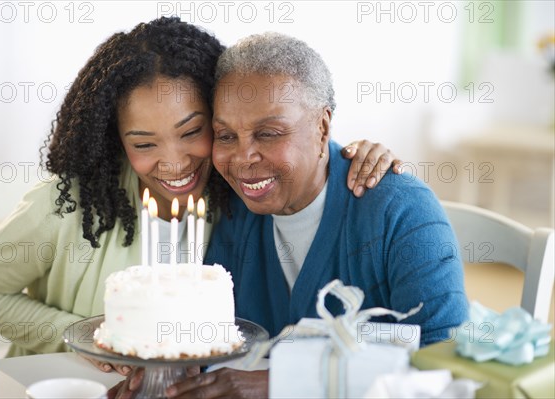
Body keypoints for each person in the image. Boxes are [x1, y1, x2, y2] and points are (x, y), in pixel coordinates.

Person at [0, 17, 402, 374]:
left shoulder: (243, 198)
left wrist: (351, 155)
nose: (174, 162)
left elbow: (295, 146)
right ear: (115, 139)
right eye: (144, 144)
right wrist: (83, 338)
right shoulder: (70, 206)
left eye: (191, 132)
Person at [154, 32, 469, 399]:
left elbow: (444, 360)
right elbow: (214, 335)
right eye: (225, 136)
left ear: (322, 128)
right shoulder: (235, 210)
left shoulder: (401, 212)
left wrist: (282, 385)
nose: (242, 158)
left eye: (268, 133)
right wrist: (170, 371)